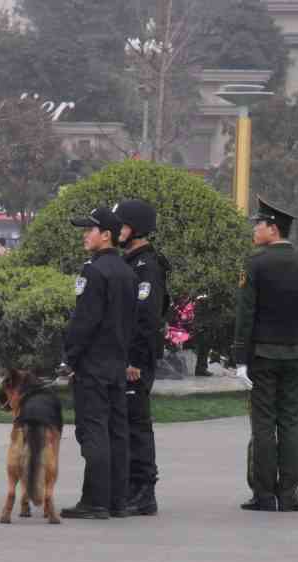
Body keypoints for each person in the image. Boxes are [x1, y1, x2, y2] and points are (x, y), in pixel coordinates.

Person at [234, 198, 298, 513]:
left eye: (258, 224)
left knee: (262, 424)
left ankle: (263, 494)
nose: (255, 230)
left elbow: (246, 314)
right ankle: (288, 494)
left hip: (262, 355)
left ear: (272, 229)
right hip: (297, 355)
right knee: (290, 423)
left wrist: (240, 358)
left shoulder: (255, 263)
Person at [61, 207, 138, 520]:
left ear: (106, 235)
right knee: (117, 432)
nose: (85, 234)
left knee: (94, 432)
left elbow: (84, 322)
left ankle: (95, 501)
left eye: (90, 229)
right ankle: (118, 500)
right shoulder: (128, 272)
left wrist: (70, 358)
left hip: (93, 363)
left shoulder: (93, 272)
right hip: (117, 363)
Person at [114, 199, 170, 517]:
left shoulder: (147, 266)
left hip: (137, 360)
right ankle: (131, 486)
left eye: (121, 224)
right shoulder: (132, 262)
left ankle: (144, 491)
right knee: (128, 422)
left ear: (135, 228)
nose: (116, 230)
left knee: (137, 425)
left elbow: (146, 319)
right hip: (127, 356)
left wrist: (134, 360)